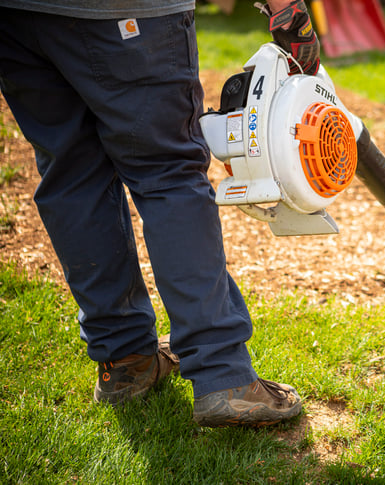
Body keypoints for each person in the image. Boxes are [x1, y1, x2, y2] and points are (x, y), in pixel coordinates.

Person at [0, 0, 320, 427]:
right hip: (125, 14)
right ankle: (222, 376)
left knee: (71, 176)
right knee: (168, 172)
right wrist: (288, 11)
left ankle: (126, 361)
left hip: (18, 18)